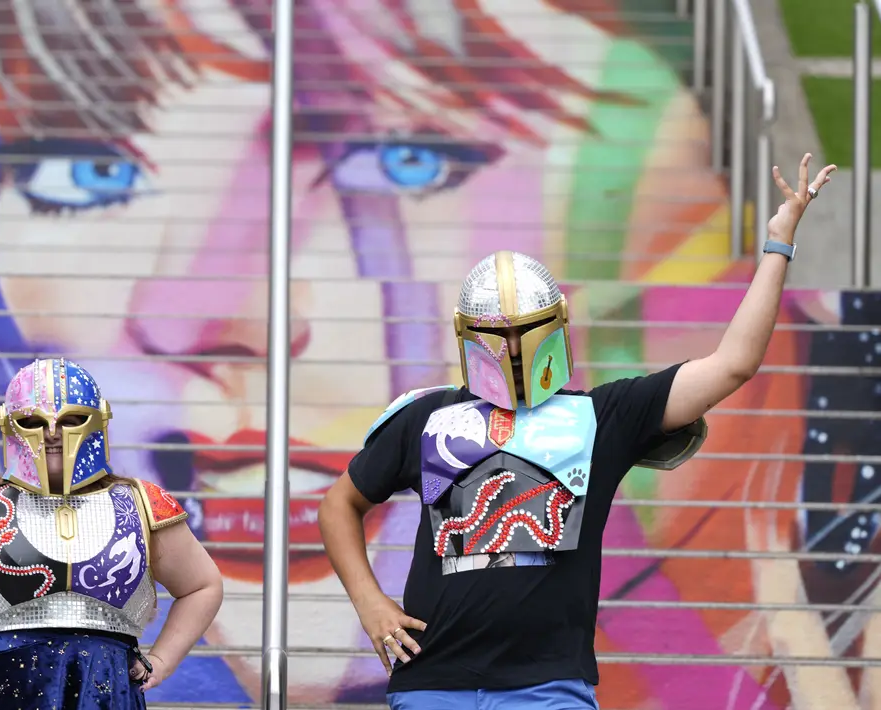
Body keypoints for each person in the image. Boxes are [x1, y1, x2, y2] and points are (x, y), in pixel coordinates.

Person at [317, 153, 836, 709]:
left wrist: (778, 244)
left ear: (556, 326)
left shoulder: (601, 416)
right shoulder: (427, 416)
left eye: (527, 332)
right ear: (469, 335)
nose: (513, 349)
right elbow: (339, 505)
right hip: (434, 681)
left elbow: (734, 363)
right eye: (497, 334)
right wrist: (371, 602)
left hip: (548, 687)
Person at [0, 357, 224, 709]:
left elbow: (202, 586)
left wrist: (162, 660)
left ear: (98, 420)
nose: (52, 433)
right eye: (33, 421)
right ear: (9, 425)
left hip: (105, 687)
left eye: (71, 419)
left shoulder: (144, 504)